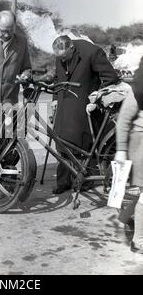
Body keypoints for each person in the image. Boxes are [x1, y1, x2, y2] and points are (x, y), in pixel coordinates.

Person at [51, 35, 119, 194]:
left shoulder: (92, 52)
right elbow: (57, 78)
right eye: (58, 58)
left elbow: (111, 77)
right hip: (63, 104)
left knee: (80, 144)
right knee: (61, 142)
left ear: (71, 48)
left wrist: (96, 96)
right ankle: (63, 182)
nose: (61, 60)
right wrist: (55, 98)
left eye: (64, 57)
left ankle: (82, 181)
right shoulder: (60, 55)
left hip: (84, 104)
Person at [115, 88, 143, 254]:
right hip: (140, 143)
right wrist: (121, 149)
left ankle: (122, 219)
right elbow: (124, 118)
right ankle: (138, 241)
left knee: (139, 193)